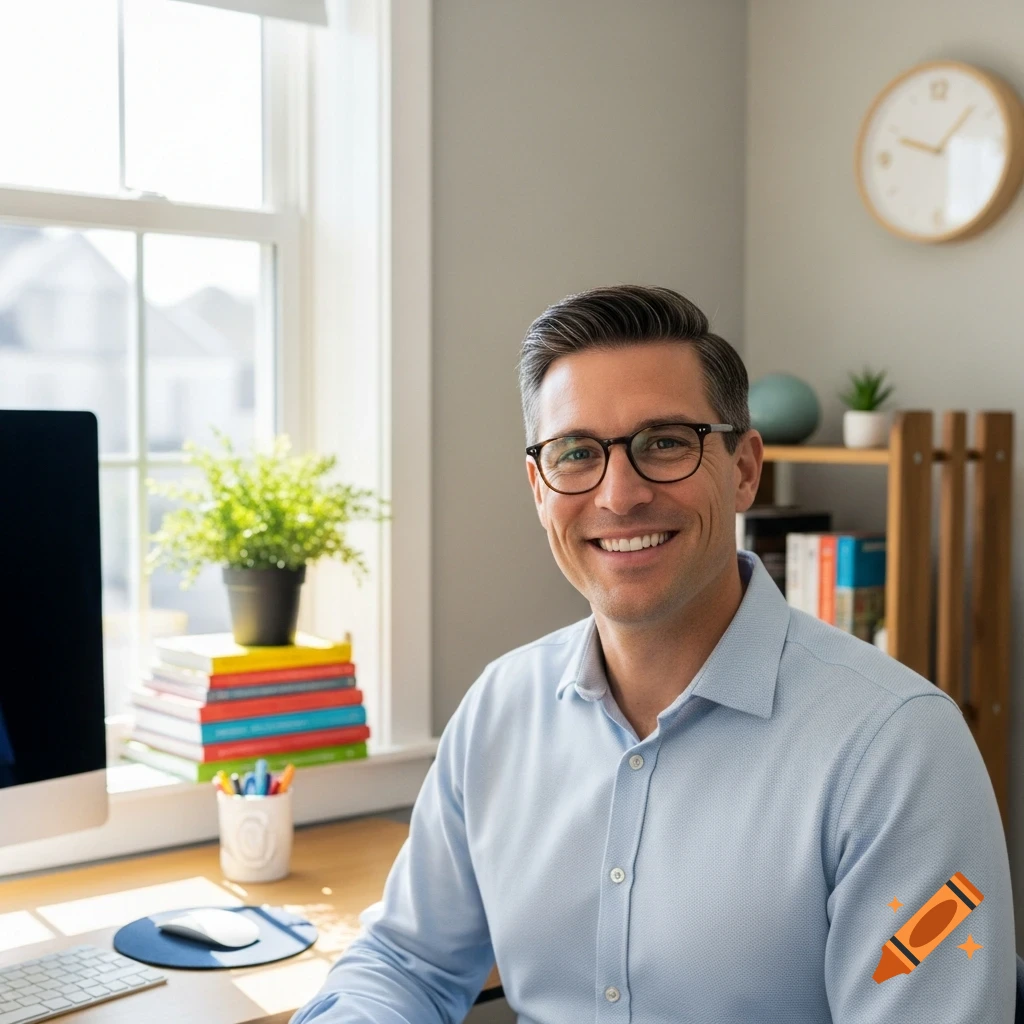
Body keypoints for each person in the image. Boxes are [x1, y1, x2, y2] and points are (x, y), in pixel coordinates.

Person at [291, 285, 1014, 1023]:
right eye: (577, 453)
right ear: (540, 488)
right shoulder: (499, 710)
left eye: (664, 442)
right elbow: (405, 962)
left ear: (742, 468)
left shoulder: (899, 749)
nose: (621, 493)